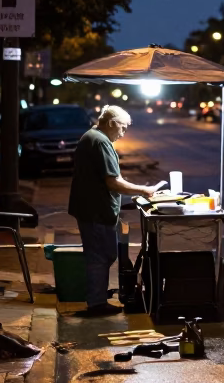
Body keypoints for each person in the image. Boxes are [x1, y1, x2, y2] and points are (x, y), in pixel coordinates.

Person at [68, 105, 158, 316]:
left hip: (90, 208)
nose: (124, 132)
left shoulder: (91, 136)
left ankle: (96, 298)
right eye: (123, 128)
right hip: (96, 210)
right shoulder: (100, 142)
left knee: (98, 255)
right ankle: (97, 303)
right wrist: (143, 190)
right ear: (111, 123)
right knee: (101, 256)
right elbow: (113, 182)